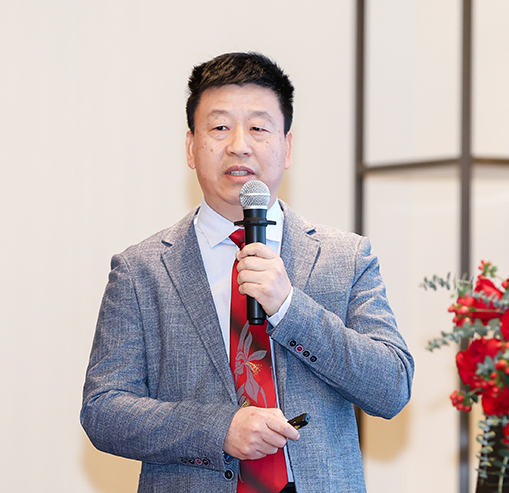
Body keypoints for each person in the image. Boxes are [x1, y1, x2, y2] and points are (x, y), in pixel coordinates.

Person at [81, 52, 414, 493]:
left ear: (287, 147)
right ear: (190, 146)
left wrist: (290, 308)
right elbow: (103, 410)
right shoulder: (142, 270)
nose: (239, 145)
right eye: (220, 127)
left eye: (258, 128)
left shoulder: (345, 257)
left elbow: (391, 387)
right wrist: (219, 428)